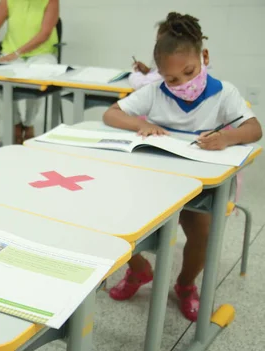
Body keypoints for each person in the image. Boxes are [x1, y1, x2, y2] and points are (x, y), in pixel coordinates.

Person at [103, 12, 262, 321]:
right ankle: (138, 271)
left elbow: (255, 129)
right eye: (172, 79)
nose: (184, 84)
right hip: (157, 179)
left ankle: (186, 284)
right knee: (118, 220)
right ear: (160, 74)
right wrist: (140, 123)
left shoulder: (223, 93)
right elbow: (111, 114)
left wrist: (227, 138)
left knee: (202, 234)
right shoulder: (154, 93)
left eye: (190, 72)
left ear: (203, 57)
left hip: (201, 183)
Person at [0, 0, 59, 144]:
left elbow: (45, 33)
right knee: (1, 77)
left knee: (38, 77)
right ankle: (16, 123)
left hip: (41, 54)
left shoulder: (51, 1)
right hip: (11, 53)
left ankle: (29, 123)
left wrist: (18, 53)